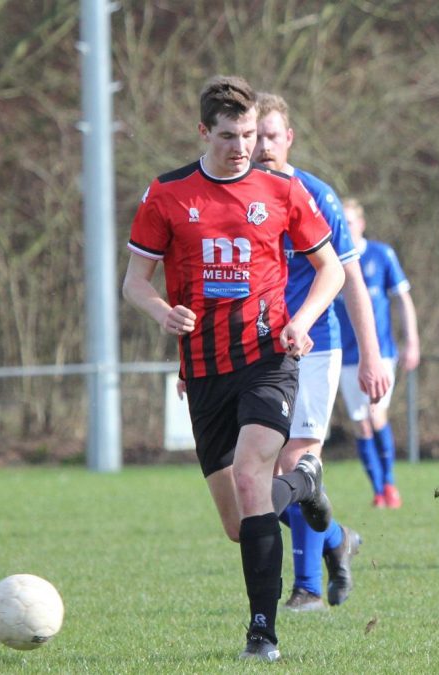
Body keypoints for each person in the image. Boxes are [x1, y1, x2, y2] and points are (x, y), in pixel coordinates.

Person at [123, 75, 341, 662]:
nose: (242, 146)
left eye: (248, 134)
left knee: (251, 480)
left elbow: (332, 271)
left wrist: (302, 320)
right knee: (239, 522)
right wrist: (162, 311)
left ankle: (262, 634)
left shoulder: (281, 191)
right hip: (203, 373)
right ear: (203, 132)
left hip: (269, 359)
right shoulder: (167, 194)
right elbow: (134, 283)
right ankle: (305, 485)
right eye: (228, 136)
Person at [253, 92, 392, 612]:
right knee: (267, 477)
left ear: (288, 137)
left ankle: (307, 586)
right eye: (254, 136)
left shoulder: (315, 194)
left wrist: (372, 356)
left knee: (296, 461)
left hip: (317, 347)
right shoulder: (240, 198)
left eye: (271, 135)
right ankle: (336, 539)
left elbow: (350, 279)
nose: (262, 146)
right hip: (257, 349)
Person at [335, 198, 420, 508]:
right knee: (360, 423)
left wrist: (412, 341)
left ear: (362, 223)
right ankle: (378, 490)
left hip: (381, 353)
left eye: (351, 220)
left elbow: (402, 299)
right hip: (344, 354)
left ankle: (390, 484)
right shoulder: (330, 258)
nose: (346, 225)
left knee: (375, 414)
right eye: (341, 220)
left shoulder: (381, 255)